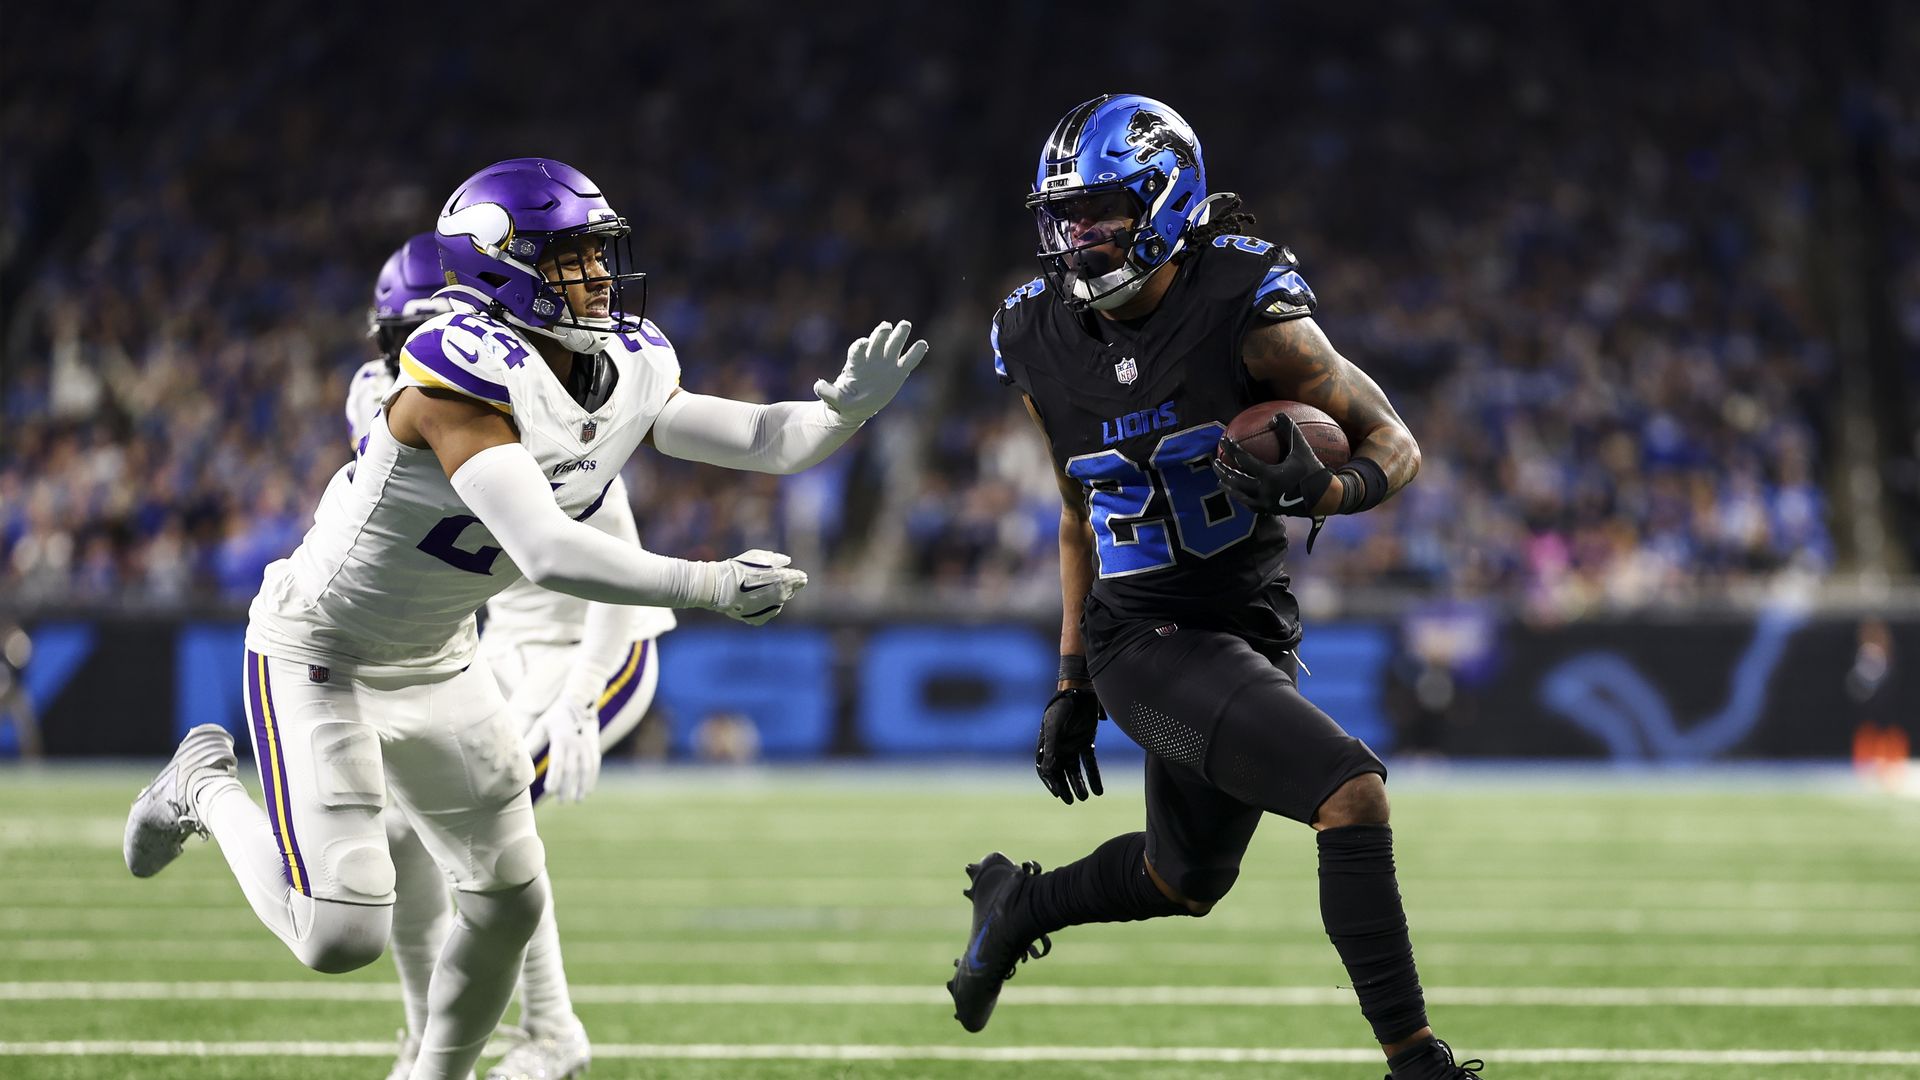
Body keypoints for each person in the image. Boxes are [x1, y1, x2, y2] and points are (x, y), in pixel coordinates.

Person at [123, 156, 926, 1080]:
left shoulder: (622, 362)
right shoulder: (452, 377)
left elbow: (756, 438)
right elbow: (545, 551)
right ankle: (204, 787)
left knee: (506, 896)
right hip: (323, 652)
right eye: (571, 257)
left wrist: (838, 417)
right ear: (503, 269)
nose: (597, 275)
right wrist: (709, 587)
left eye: (597, 252)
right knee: (341, 934)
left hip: (443, 656)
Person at [952, 95, 1483, 1080]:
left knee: (1180, 878)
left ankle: (1014, 907)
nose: (1079, 236)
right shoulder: (1035, 337)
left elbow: (1394, 445)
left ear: (1164, 198)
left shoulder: (1244, 307)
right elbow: (1077, 512)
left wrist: (1328, 487)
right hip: (1143, 638)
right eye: (1066, 216)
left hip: (1246, 630)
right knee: (1351, 793)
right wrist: (1073, 681)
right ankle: (1419, 1064)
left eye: (1102, 209)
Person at [350, 234, 677, 1080]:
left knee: (484, 824)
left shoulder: (539, 393)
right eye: (406, 340)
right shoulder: (394, 402)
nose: (424, 358)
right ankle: (427, 1031)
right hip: (499, 644)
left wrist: (578, 699)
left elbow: (620, 569)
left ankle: (552, 1032)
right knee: (397, 827)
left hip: (593, 642)